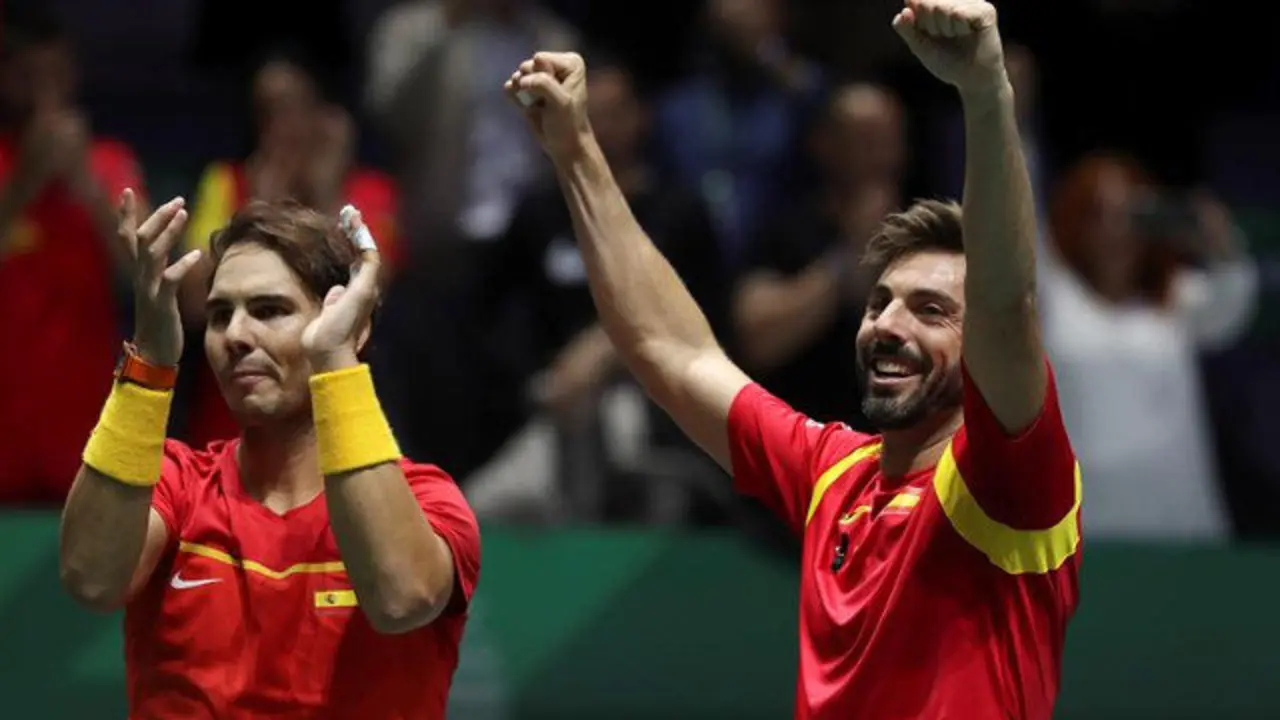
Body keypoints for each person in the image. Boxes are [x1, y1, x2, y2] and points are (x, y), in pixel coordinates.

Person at [504, 0, 1079, 716]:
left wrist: (986, 91)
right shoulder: (831, 471)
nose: (888, 325)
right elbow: (669, 348)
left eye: (931, 311)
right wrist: (577, 151)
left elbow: (1003, 298)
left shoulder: (1012, 483)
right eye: (879, 303)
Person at [58, 194, 480, 717]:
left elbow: (401, 598)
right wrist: (149, 360)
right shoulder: (177, 486)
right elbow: (93, 578)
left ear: (352, 324)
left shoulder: (426, 501)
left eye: (269, 310)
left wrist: (335, 358)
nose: (235, 335)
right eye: (219, 315)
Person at [179, 50, 401, 448]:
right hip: (230, 425)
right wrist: (259, 210)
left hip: (337, 423)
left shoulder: (369, 192)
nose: (281, 128)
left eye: (293, 109)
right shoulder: (226, 185)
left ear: (324, 117)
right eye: (267, 113)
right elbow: (195, 302)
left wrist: (327, 193)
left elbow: (372, 291)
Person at [0, 4, 148, 504]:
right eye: (30, 76)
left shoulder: (109, 162)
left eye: (57, 75)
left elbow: (142, 273)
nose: (47, 92)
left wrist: (85, 183)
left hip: (81, 427)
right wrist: (26, 183)